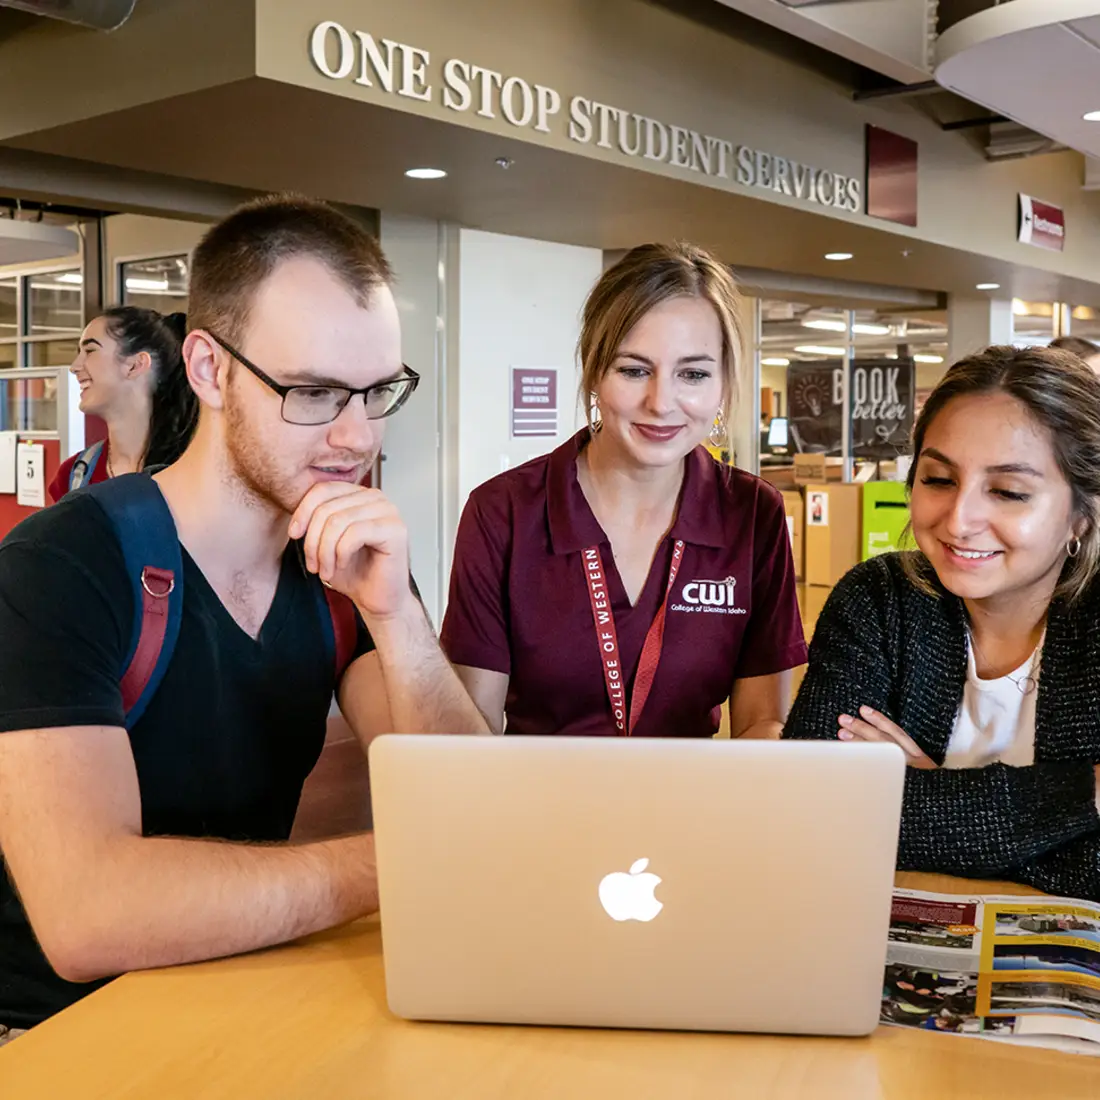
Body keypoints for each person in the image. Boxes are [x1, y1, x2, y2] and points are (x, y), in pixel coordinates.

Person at [0, 194, 487, 1035]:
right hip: (56, 1038)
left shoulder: (340, 554)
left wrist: (397, 623)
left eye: (378, 393)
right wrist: (401, 862)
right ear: (209, 369)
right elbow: (87, 913)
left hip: (234, 1001)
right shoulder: (65, 564)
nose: (356, 435)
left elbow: (476, 807)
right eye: (315, 393)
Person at [441, 242, 807, 737]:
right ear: (594, 371)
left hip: (694, 809)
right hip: (535, 808)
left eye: (693, 374)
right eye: (634, 370)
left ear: (722, 383)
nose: (661, 402)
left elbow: (761, 722)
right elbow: (472, 732)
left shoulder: (753, 513)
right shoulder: (502, 512)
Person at [784, 345, 1100, 901]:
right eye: (938, 480)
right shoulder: (878, 601)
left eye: (1008, 491)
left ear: (1080, 512)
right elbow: (812, 811)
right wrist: (1083, 796)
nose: (959, 520)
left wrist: (919, 793)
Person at [49, 306, 198, 500]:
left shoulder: (196, 470)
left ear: (135, 365)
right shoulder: (73, 477)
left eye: (90, 350)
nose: (75, 367)